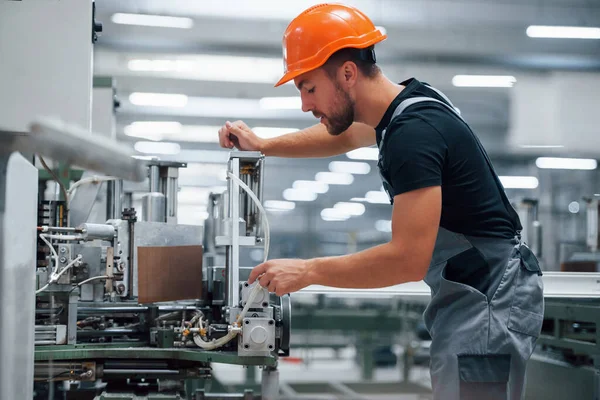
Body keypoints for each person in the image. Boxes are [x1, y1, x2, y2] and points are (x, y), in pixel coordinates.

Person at [217, 3, 544, 399]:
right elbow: (345, 135)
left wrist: (307, 271)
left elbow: (407, 259)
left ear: (348, 73)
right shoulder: (405, 107)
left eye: (308, 87)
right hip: (474, 289)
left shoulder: (413, 134)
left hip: (488, 296)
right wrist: (264, 145)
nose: (304, 103)